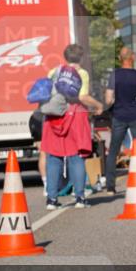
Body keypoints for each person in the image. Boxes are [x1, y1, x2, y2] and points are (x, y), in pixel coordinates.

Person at [43, 44, 104, 209]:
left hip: (54, 116)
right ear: (81, 58)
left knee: (53, 158)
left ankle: (52, 200)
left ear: (65, 57)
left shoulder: (54, 71)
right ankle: (79, 198)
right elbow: (82, 96)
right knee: (76, 157)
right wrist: (98, 105)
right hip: (75, 115)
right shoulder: (81, 73)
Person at [103, 47, 136, 195]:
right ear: (133, 58)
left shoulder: (114, 75)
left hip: (119, 116)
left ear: (120, 58)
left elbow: (108, 99)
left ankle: (110, 186)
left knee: (113, 150)